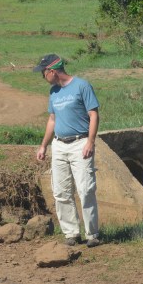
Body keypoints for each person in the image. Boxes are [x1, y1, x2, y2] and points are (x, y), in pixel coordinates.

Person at [33, 54, 102, 247]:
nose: (42, 77)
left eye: (43, 73)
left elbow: (93, 114)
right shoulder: (53, 92)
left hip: (80, 143)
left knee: (86, 189)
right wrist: (43, 145)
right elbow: (52, 120)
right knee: (61, 191)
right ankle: (71, 233)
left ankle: (92, 234)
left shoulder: (82, 86)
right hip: (59, 145)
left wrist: (90, 141)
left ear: (52, 71)